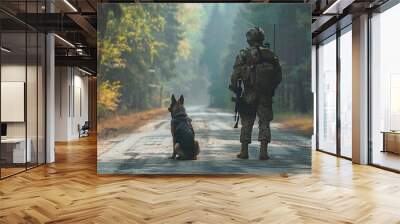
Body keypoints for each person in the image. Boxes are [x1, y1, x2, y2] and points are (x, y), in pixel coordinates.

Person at [229, 27, 282, 160]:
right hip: (265, 95)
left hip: (249, 94)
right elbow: (278, 76)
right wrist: (271, 89)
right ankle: (263, 152)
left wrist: (235, 88)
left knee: (247, 121)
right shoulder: (270, 54)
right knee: (264, 122)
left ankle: (244, 152)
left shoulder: (244, 54)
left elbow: (235, 74)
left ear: (249, 39)